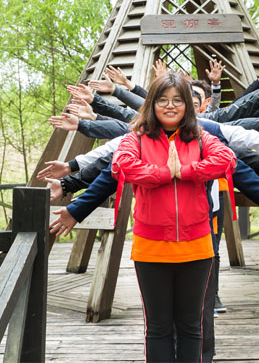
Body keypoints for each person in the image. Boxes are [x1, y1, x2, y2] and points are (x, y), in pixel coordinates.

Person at [51, 72, 236, 362]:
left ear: (188, 105)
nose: (170, 106)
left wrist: (186, 171)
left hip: (197, 246)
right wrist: (163, 173)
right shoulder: (135, 139)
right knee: (158, 327)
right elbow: (122, 167)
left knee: (191, 326)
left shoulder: (202, 138)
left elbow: (227, 160)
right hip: (152, 247)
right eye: (162, 100)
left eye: (177, 100)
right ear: (152, 104)